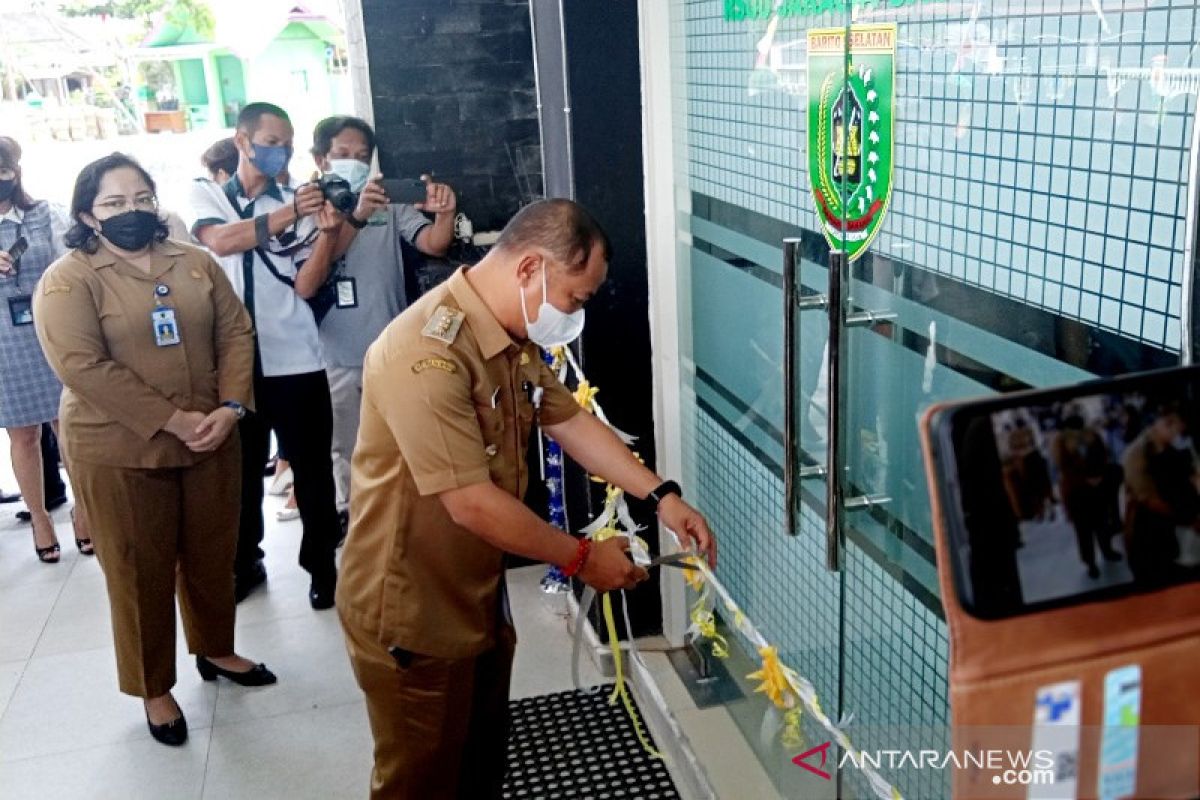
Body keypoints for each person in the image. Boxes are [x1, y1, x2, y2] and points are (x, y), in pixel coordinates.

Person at [337, 199, 718, 799]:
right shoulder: (427, 353)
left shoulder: (506, 336)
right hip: (412, 608)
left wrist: (661, 494)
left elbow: (567, 420)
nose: (576, 315)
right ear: (529, 269)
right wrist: (584, 559)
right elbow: (471, 503)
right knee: (421, 780)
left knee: (479, 764)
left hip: (476, 594)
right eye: (577, 298)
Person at [34, 153, 276, 747]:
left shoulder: (194, 263)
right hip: (120, 449)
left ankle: (216, 650)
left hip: (212, 437)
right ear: (87, 214)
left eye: (142, 198)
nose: (132, 211)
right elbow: (81, 366)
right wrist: (172, 419)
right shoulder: (70, 278)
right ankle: (154, 687)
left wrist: (230, 408)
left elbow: (235, 332)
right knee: (138, 569)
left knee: (211, 554)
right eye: (115, 203)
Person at [190, 102, 346, 609]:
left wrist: (325, 234)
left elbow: (305, 282)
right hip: (231, 365)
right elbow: (220, 240)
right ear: (242, 140)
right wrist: (292, 213)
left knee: (313, 470)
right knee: (239, 475)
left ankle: (322, 567)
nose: (280, 151)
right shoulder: (208, 193)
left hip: (296, 359)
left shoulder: (297, 200)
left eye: (287, 142)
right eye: (271, 140)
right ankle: (245, 563)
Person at [309, 114, 457, 514]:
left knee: (401, 447)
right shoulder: (310, 207)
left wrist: (444, 214)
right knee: (347, 448)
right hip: (335, 354)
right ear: (322, 159)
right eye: (343, 154)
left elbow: (433, 244)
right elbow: (309, 277)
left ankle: (401, 521)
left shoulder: (386, 205)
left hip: (390, 352)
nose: (353, 162)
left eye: (361, 155)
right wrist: (352, 214)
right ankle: (356, 519)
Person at [0, 135, 92, 562]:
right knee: (22, 434)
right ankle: (39, 517)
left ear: (15, 172)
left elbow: (72, 263)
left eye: (4, 171)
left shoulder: (44, 213)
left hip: (49, 328)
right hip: (4, 339)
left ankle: (85, 511)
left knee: (66, 424)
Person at [1122, 402, 1200, 585]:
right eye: (1176, 428)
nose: (1178, 434)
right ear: (1165, 422)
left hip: (1174, 533)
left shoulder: (1171, 448)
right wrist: (1190, 521)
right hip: (1149, 537)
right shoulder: (1137, 453)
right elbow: (1149, 500)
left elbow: (1191, 476)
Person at [1051, 412, 1122, 578]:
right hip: (1076, 493)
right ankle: (1090, 563)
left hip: (1098, 488)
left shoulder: (1093, 436)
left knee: (1102, 524)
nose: (1078, 435)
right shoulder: (1060, 443)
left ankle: (1107, 551)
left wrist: (1100, 476)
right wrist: (1085, 480)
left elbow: (1103, 455)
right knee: (1083, 531)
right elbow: (1063, 468)